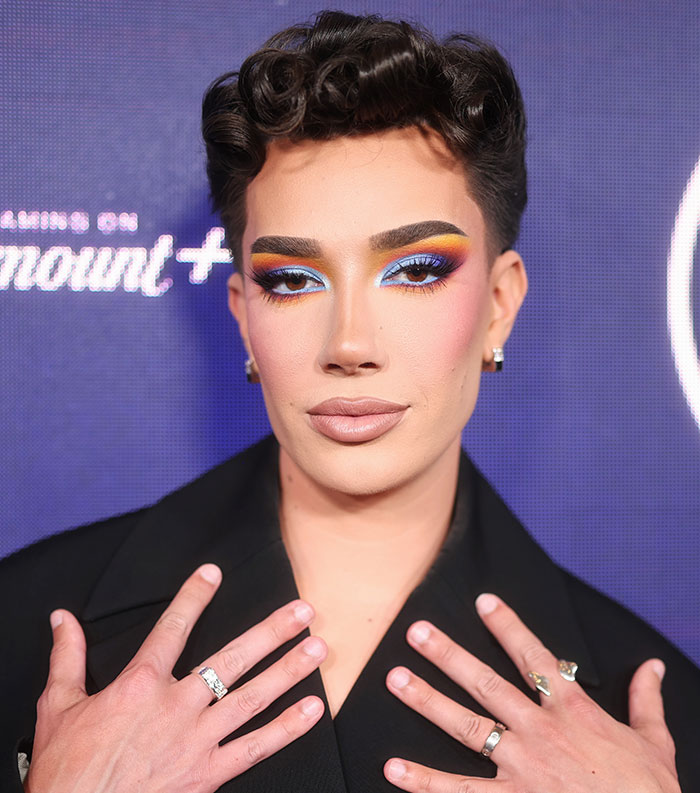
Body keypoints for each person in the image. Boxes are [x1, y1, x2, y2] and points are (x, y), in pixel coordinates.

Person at [1, 9, 698, 793]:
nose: (349, 342)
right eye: (292, 279)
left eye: (415, 270)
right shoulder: (24, 627)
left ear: (499, 305)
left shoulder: (653, 722)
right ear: (242, 312)